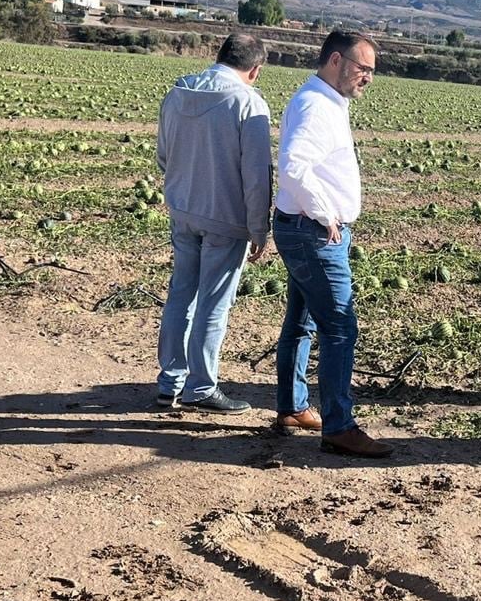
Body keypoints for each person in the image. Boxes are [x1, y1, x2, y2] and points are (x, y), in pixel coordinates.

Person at [273, 30, 392, 458]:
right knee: (340, 327)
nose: (369, 78)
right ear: (336, 61)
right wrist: (326, 214)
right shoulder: (315, 106)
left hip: (303, 227)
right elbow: (293, 167)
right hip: (313, 232)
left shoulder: (324, 100)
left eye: (372, 71)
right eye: (364, 69)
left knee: (302, 319)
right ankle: (340, 426)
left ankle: (292, 407)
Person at [155, 32, 274, 413]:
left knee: (181, 294)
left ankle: (169, 382)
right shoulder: (247, 103)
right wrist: (259, 228)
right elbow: (257, 175)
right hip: (225, 218)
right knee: (213, 304)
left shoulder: (178, 91)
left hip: (182, 210)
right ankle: (201, 386)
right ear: (254, 70)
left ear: (218, 56)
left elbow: (163, 155)